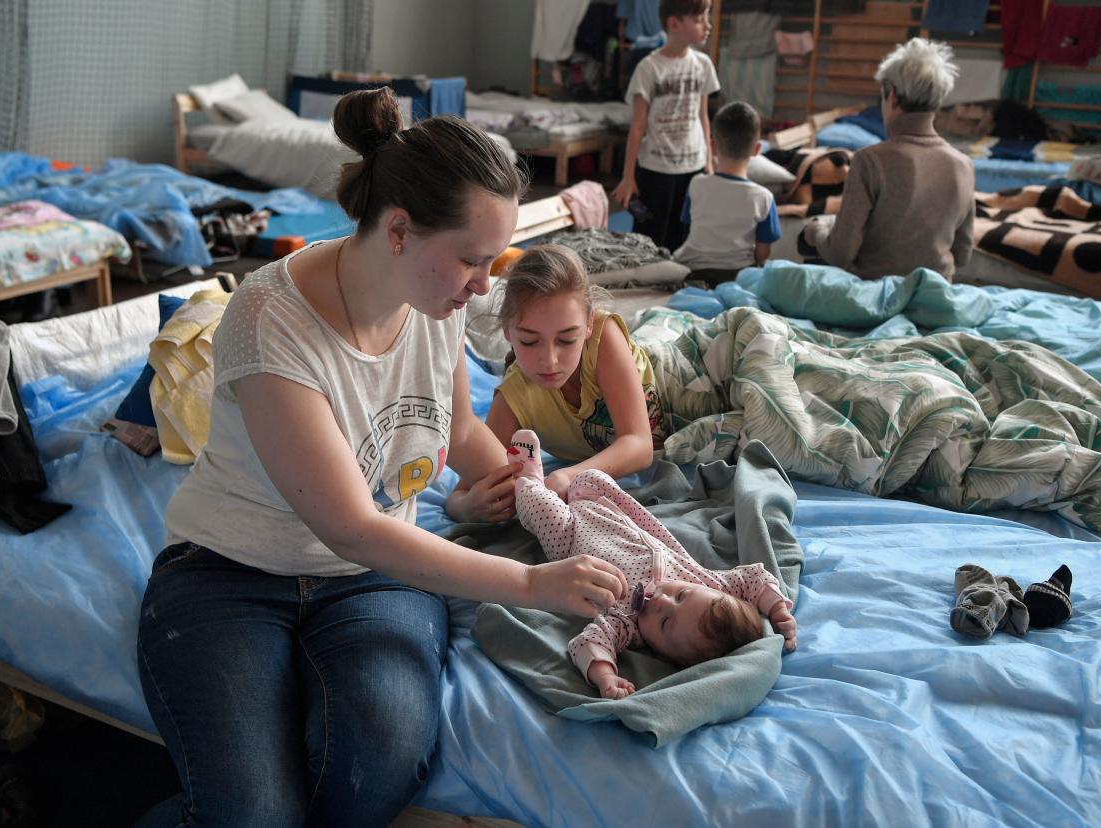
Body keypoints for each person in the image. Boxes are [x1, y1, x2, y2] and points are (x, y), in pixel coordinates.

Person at [134, 88, 629, 827]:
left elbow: (461, 434)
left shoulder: (433, 306)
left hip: (372, 582)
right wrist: (530, 581)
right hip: (227, 576)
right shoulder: (270, 319)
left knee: (380, 758)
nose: (485, 286)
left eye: (493, 262)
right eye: (472, 260)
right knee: (252, 815)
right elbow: (354, 528)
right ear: (398, 229)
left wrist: (553, 507)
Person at [508, 429, 796, 699]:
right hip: (613, 515)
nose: (662, 601)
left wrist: (604, 675)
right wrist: (776, 606)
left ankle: (529, 480)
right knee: (590, 477)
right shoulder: (708, 583)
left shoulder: (625, 621)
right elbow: (751, 578)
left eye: (665, 623)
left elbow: (590, 642)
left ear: (662, 654)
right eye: (681, 595)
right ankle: (563, 492)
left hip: (568, 539)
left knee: (539, 508)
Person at [486, 244, 664, 501]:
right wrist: (466, 507)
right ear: (507, 330)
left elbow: (639, 445)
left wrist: (569, 476)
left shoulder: (604, 338)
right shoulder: (512, 399)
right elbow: (464, 492)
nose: (549, 361)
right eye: (529, 341)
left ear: (589, 323)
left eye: (567, 340)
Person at [802, 38, 975, 279]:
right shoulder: (963, 165)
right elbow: (963, 253)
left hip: (875, 297)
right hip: (935, 298)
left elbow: (841, 254)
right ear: (939, 100)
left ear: (891, 96)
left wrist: (817, 231)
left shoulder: (869, 161)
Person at [611, 0, 720, 251]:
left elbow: (702, 116)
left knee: (682, 235)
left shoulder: (703, 64)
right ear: (674, 24)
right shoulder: (648, 68)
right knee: (649, 237)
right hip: (655, 170)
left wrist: (709, 161)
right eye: (700, 19)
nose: (708, 25)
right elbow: (637, 126)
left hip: (692, 167)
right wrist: (628, 177)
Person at [674, 100, 781, 285]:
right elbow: (763, 253)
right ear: (757, 149)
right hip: (738, 275)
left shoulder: (696, 184)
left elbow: (688, 226)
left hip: (694, 272)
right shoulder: (764, 197)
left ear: (713, 146)